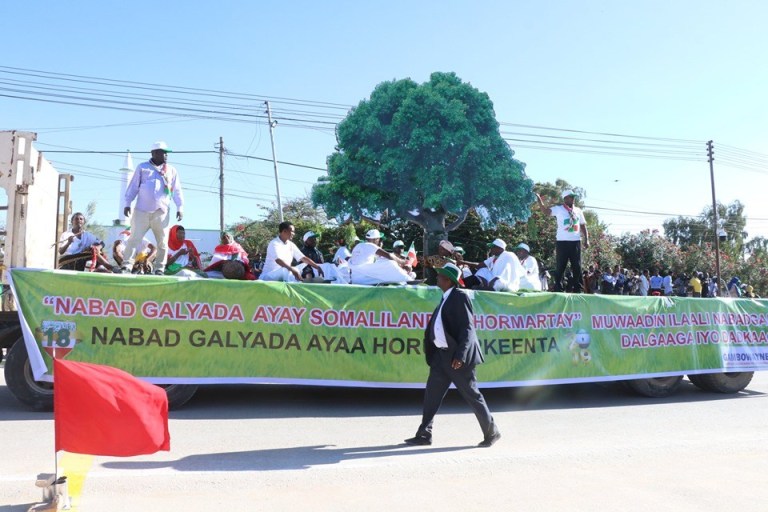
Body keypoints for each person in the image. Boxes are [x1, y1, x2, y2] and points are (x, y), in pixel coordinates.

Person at [404, 263, 500, 448]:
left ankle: (492, 432)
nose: (437, 277)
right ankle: (424, 434)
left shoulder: (459, 296)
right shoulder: (446, 297)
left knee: (472, 395)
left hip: (456, 358)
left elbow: (467, 328)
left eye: (440, 276)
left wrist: (461, 355)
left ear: (448, 280)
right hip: (441, 357)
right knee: (431, 396)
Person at [121, 141, 183, 275]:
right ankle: (126, 266)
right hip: (141, 211)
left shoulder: (171, 170)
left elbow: (177, 190)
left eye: (167, 153)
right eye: (163, 152)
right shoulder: (142, 167)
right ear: (154, 153)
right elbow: (133, 187)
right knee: (134, 239)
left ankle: (159, 268)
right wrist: (127, 203)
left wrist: (180, 207)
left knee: (162, 243)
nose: (166, 155)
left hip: (161, 213)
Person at [537, 190, 589, 293]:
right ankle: (558, 288)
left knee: (577, 266)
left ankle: (578, 289)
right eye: (570, 197)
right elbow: (546, 211)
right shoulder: (559, 209)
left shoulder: (578, 210)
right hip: (562, 242)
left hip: (575, 241)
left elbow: (583, 225)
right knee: (561, 265)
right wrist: (539, 201)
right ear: (565, 199)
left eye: (573, 197)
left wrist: (587, 239)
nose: (573, 199)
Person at [260, 222, 324, 282]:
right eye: (292, 231)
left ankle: (306, 281)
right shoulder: (274, 243)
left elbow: (303, 258)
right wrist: (292, 270)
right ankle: (300, 283)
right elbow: (278, 260)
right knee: (287, 269)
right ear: (284, 231)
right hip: (268, 276)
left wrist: (317, 267)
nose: (294, 234)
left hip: (284, 273)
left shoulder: (291, 244)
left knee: (302, 266)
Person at [349, 229, 413, 285]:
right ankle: (407, 280)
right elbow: (389, 256)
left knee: (386, 262)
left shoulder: (359, 246)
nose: (379, 241)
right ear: (375, 239)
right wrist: (403, 262)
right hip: (364, 278)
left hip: (356, 278)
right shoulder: (371, 245)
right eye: (379, 239)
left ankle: (402, 279)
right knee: (391, 263)